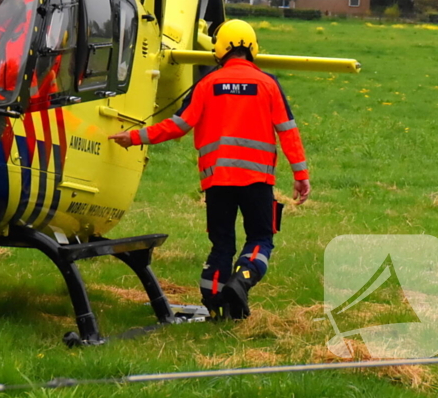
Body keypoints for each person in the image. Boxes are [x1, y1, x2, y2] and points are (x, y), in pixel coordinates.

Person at [109, 19, 310, 320]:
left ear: (219, 49)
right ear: (253, 48)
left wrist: (134, 137)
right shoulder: (268, 84)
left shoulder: (207, 84)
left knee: (222, 245)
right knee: (260, 239)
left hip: (217, 183)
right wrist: (301, 176)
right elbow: (288, 131)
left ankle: (216, 302)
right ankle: (241, 280)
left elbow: (177, 126)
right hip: (257, 181)